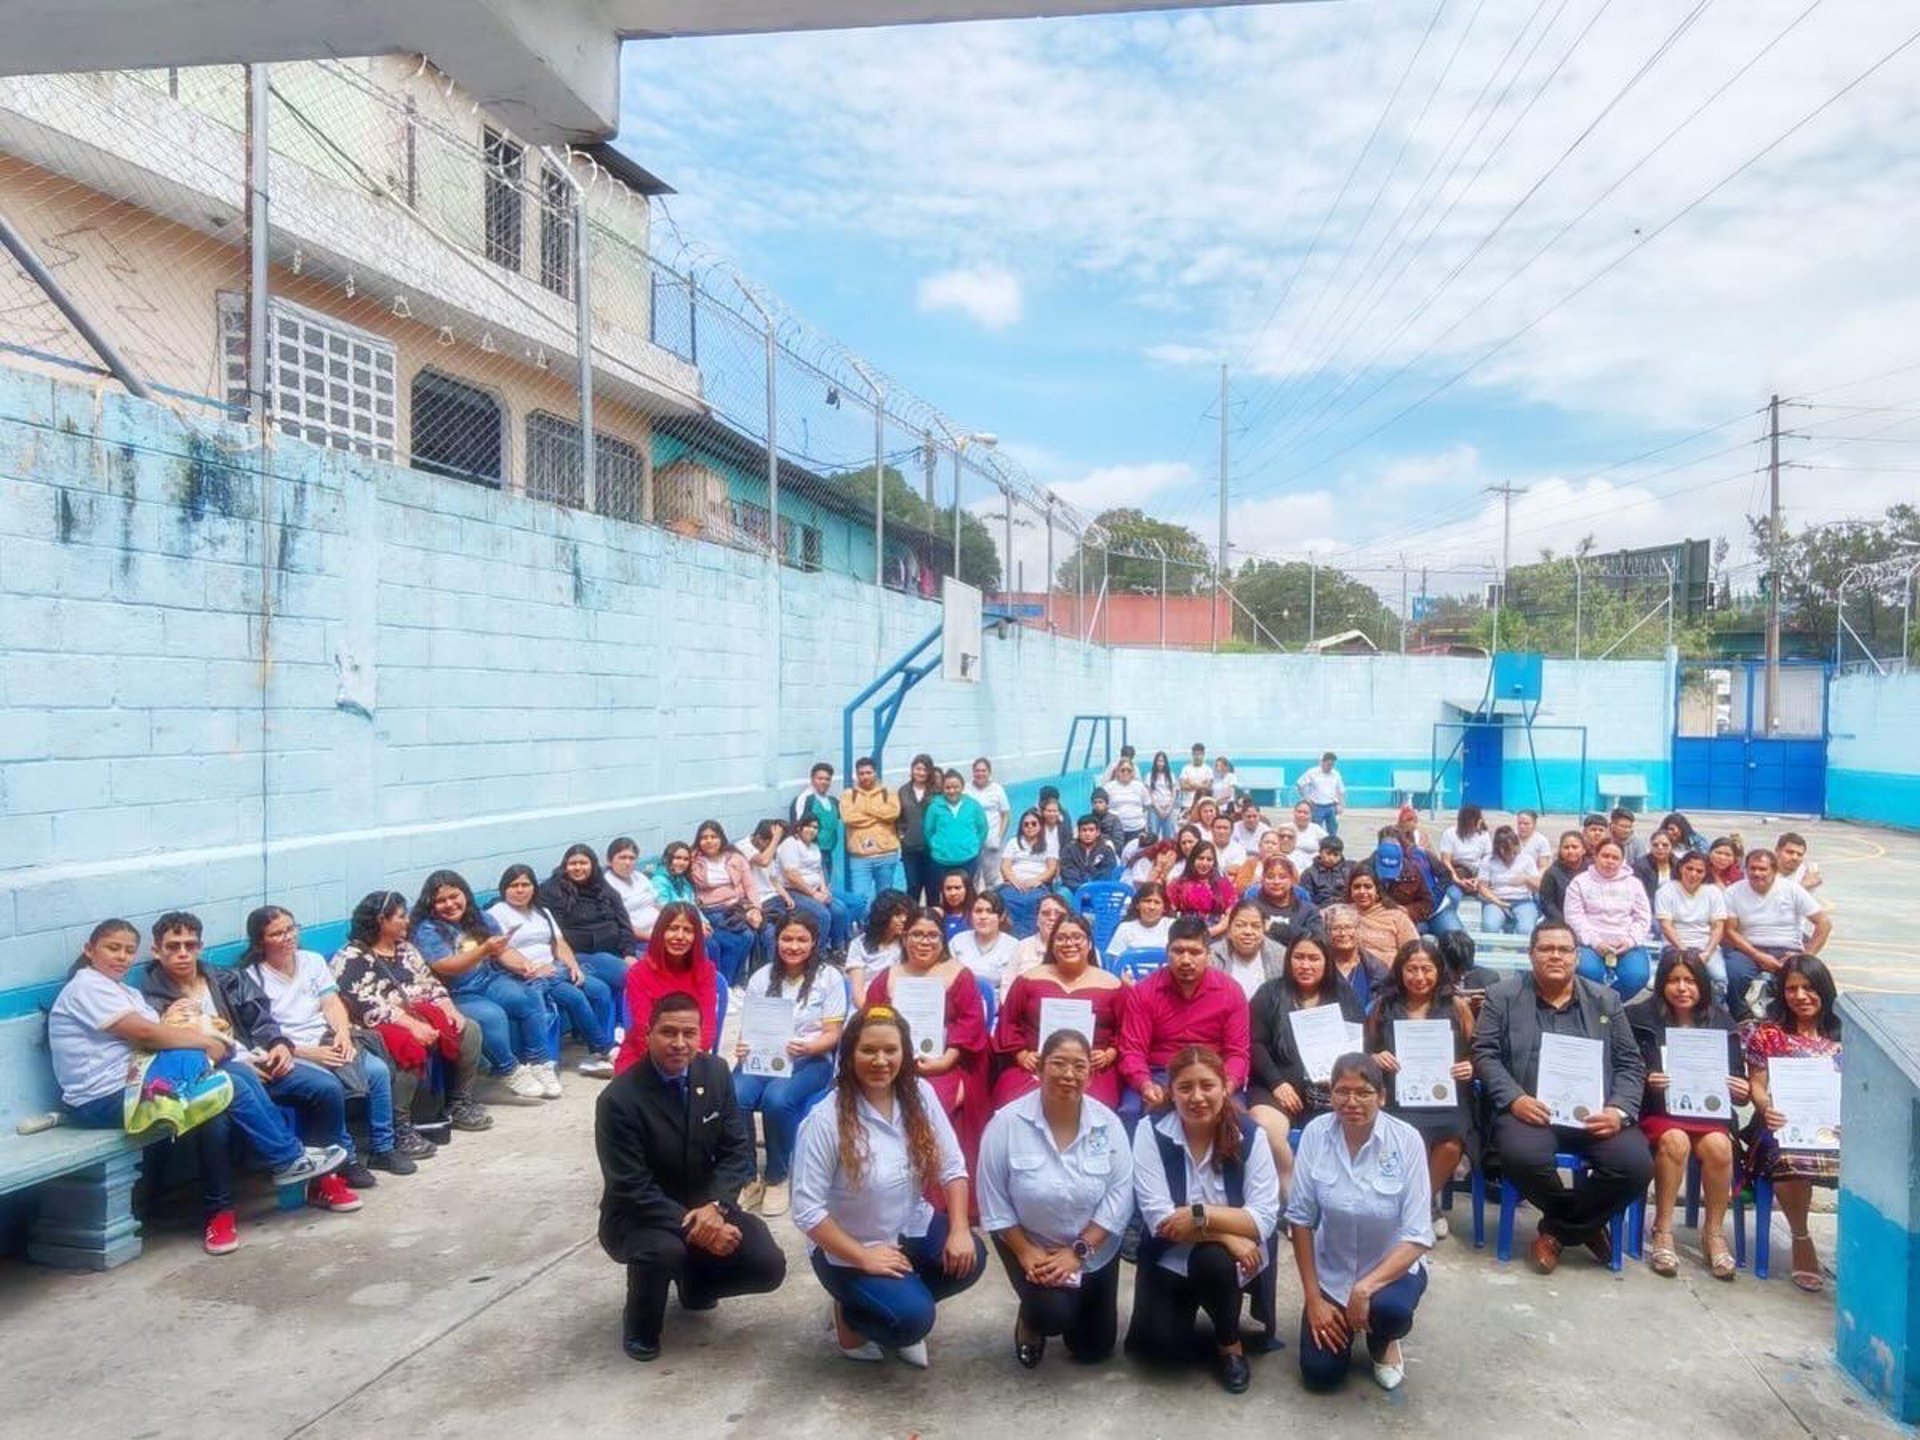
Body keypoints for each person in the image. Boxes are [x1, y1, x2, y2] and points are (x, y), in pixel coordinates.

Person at [51, 920, 343, 1257]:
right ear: (90, 950)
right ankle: (285, 1160)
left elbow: (160, 1030)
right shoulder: (87, 986)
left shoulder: (125, 991)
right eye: (112, 948)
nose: (122, 957)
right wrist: (206, 1043)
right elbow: (148, 1035)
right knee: (226, 1085)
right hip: (105, 1099)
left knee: (232, 1077)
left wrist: (195, 1036)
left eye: (128, 950)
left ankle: (284, 1164)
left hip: (139, 1082)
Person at [595, 993, 788, 1361]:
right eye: (668, 1032)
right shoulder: (618, 1100)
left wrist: (716, 1207)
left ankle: (694, 1285)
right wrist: (699, 1226)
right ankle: (640, 1323)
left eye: (689, 1033)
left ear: (702, 1035)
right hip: (641, 1216)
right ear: (647, 1034)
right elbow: (630, 1185)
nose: (679, 1043)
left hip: (706, 1203)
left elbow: (736, 1150)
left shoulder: (714, 1072)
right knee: (664, 1250)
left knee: (768, 1264)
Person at [791, 1004, 985, 1365]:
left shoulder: (920, 1095)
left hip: (909, 1226)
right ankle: (852, 1318)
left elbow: (953, 1166)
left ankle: (888, 1299)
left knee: (971, 1257)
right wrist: (863, 1256)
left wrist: (959, 1229)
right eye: (868, 1050)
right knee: (913, 1320)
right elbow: (806, 1210)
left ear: (905, 1053)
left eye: (891, 1050)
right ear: (849, 1055)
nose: (880, 1060)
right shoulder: (825, 1120)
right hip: (848, 1247)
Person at [140, 912, 367, 1206]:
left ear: (200, 946)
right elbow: (174, 1050)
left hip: (259, 1064)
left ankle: (324, 1181)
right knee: (216, 1123)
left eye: (190, 945)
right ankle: (219, 1210)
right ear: (157, 951)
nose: (183, 953)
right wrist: (234, 1061)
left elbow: (261, 1019)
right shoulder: (151, 998)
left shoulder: (225, 977)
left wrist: (279, 1044)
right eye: (173, 946)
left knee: (325, 1088)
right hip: (212, 1077)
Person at [1471, 920, 1652, 1273]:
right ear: (1531, 955)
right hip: (1530, 1112)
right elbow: (1484, 1055)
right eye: (1546, 948)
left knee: (1635, 1165)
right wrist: (1514, 1099)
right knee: (1521, 1156)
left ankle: (1558, 1230)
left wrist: (1618, 1111)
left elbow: (1631, 1063)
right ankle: (1586, 1227)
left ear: (1577, 956)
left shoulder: (1606, 999)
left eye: (1564, 949)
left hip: (1594, 1113)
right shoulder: (1502, 996)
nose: (1555, 955)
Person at [1125, 1046, 1282, 1394]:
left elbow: (1264, 1218)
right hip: (1172, 1252)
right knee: (1162, 1352)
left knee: (1215, 1261)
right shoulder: (1150, 1132)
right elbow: (1160, 1220)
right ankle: (1191, 1306)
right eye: (1185, 1087)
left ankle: (1229, 1344)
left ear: (1225, 1087)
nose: (1197, 1097)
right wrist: (1226, 1234)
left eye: (1207, 1085)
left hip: (1232, 1260)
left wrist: (1201, 1214)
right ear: (1171, 1092)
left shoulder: (1250, 1134)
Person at [978, 1028, 1135, 1367]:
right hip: (1033, 1246)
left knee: (1092, 1349)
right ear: (1038, 1069)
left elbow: (1120, 1195)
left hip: (1094, 1248)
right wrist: (1024, 1250)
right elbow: (993, 1199)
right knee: (1051, 1315)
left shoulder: (1108, 1124)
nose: (1068, 1074)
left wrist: (1079, 1251)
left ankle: (1073, 1302)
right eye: (1058, 1063)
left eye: (1079, 1066)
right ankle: (1031, 1319)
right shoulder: (1006, 1123)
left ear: (1091, 1077)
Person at [1288, 1053, 1434, 1393]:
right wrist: (1313, 1299)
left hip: (1389, 1272)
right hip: (1332, 1271)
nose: (1351, 1102)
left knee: (1392, 1312)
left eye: (1364, 1092)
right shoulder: (1315, 1133)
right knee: (1319, 1375)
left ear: (1382, 1096)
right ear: (1331, 1093)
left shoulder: (1406, 1140)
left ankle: (1382, 1340)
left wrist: (1364, 1288)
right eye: (1342, 1091)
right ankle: (1347, 1321)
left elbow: (1417, 1235)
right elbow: (1300, 1220)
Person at [247, 905, 423, 1174]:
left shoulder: (311, 960)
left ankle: (383, 1148)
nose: (288, 937)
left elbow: (331, 1003)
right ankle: (347, 1157)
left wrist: (342, 1033)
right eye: (277, 934)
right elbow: (261, 1032)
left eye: (291, 929)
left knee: (376, 1071)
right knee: (328, 1084)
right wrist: (308, 1053)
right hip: (292, 1050)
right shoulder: (251, 977)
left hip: (326, 1037)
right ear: (261, 941)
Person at [1626, 949, 1746, 1280]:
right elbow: (1623, 1066)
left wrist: (1740, 1088)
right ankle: (1663, 1229)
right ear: (1661, 983)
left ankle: (1714, 1233)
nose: (1682, 988)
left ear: (1703, 985)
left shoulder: (1723, 1022)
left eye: (1690, 981)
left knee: (1720, 1148)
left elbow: (1739, 1076)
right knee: (1675, 1141)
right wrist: (1647, 1077)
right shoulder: (1638, 1018)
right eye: (1674, 980)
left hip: (1708, 1115)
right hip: (1659, 1111)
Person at [333, 890, 493, 1134]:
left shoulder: (406, 949)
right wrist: (411, 1024)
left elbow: (429, 982)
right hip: (375, 1025)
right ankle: (400, 1125)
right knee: (407, 1045)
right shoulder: (352, 957)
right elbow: (364, 1005)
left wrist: (448, 1007)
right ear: (381, 921)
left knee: (468, 1029)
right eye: (400, 916)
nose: (407, 921)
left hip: (417, 1014)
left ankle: (459, 1103)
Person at [733, 913, 848, 1218]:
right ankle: (747, 1176)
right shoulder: (761, 977)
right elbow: (748, 1028)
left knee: (777, 1099)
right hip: (763, 1058)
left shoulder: (829, 978)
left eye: (801, 939)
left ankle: (776, 1176)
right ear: (776, 940)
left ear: (814, 943)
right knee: (735, 1093)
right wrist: (743, 1045)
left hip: (811, 1058)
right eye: (787, 938)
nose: (793, 946)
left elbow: (833, 1035)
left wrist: (809, 1047)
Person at [412, 869, 564, 1100]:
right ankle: (509, 1069)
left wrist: (524, 965)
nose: (450, 904)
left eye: (454, 896)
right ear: (430, 904)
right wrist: (484, 949)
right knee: (493, 1015)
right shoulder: (427, 930)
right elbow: (446, 966)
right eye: (441, 901)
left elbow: (503, 950)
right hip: (455, 994)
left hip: (488, 980)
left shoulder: (480, 917)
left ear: (465, 895)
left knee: (528, 996)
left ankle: (539, 1061)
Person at [1743, 953, 1844, 1293]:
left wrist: (1850, 1121)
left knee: (1866, 1163)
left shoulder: (1847, 1036)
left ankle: (1860, 1244)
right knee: (1786, 1156)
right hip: (1779, 1122)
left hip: (1838, 1127)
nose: (1800, 996)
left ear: (1825, 990)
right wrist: (1765, 1106)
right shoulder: (1768, 1034)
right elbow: (1756, 1083)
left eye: (1809, 988)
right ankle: (1801, 1238)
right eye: (1791, 989)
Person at [865, 906, 993, 1169]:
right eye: (917, 934)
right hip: (891, 1063)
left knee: (930, 1100)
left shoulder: (959, 975)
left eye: (933, 935)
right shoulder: (887, 977)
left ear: (942, 938)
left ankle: (928, 1175)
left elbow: (970, 1024)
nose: (925, 941)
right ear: (905, 937)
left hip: (949, 1062)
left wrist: (945, 1061)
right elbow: (870, 1022)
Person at [1364, 940, 1475, 1238]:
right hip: (1397, 1095)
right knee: (1400, 1133)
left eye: (1427, 969)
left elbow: (1477, 1050)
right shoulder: (1383, 1007)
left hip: (1446, 1096)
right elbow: (1364, 1052)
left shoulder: (1456, 1006)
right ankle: (1422, 1208)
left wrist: (1470, 1065)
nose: (1419, 977)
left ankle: (1420, 1205)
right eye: (1411, 969)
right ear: (1400, 971)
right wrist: (1375, 1058)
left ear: (1439, 972)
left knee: (1451, 1141)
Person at [487, 864, 618, 1084]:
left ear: (533, 888)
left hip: (552, 971)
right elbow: (501, 951)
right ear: (504, 888)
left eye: (525, 884)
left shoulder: (542, 912)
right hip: (523, 976)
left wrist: (573, 965)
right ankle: (540, 1061)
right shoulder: (496, 913)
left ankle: (602, 1050)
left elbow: (559, 942)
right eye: (514, 885)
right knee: (547, 1000)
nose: (520, 890)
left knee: (584, 993)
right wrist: (530, 967)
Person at [1118, 918, 1251, 1126]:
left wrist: (1226, 1085)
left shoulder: (1231, 991)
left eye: (1195, 952)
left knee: (1241, 1126)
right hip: (1160, 1074)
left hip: (1212, 1075)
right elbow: (1132, 1051)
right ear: (1167, 951)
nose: (1186, 960)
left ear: (1209, 955)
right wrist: (1145, 1085)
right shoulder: (1145, 991)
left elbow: (1237, 1053)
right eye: (1178, 951)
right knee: (1135, 1115)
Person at [995, 914, 1129, 1109]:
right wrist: (1021, 1055)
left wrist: (1110, 1053)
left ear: (1089, 943)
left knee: (1093, 1106)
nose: (1069, 943)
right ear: (1052, 944)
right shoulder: (1028, 980)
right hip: (1035, 1063)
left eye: (1077, 937)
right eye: (1061, 938)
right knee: (1012, 1100)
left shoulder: (1113, 985)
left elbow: (1126, 1031)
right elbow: (1009, 1023)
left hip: (1093, 1068)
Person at [1248, 932, 1365, 1138]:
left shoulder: (1343, 994)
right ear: (1288, 959)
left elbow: (1357, 1043)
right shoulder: (1269, 993)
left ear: (1326, 961)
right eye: (1299, 957)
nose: (1305, 965)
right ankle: (1287, 1171)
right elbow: (1255, 1044)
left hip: (1331, 1089)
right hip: (1276, 1088)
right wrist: (1277, 1084)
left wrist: (1341, 1080)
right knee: (1267, 1131)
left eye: (1314, 958)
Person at [1723, 849, 1832, 1022]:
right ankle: (1743, 1019)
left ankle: (1793, 1022)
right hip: (1748, 949)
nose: (1757, 873)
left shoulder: (1792, 889)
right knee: (1734, 972)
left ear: (1774, 870)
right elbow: (1730, 931)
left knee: (1806, 977)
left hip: (1787, 949)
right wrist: (1758, 955)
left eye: (1762, 869)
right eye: (1752, 868)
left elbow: (1824, 923)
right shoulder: (1733, 892)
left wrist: (1806, 956)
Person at [616, 904, 721, 1069]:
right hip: (645, 1057)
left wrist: (688, 1060)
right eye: (672, 928)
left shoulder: (706, 971)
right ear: (660, 932)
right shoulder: (638, 973)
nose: (680, 936)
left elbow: (707, 1025)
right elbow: (642, 1031)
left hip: (691, 1055)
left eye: (688, 930)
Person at [538, 843, 637, 1000]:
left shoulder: (603, 888)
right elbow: (556, 933)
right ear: (565, 866)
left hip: (615, 950)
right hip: (580, 955)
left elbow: (624, 924)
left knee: (650, 968)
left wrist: (629, 953)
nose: (578, 868)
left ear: (592, 865)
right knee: (628, 975)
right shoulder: (552, 890)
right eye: (573, 863)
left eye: (583, 863)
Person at [1563, 837, 1654, 999]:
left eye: (1615, 858)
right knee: (1588, 971)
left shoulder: (1634, 884)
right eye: (1605, 856)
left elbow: (1643, 917)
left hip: (1626, 943)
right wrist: (1595, 942)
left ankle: (1611, 1007)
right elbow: (1574, 917)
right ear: (1595, 856)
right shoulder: (1580, 882)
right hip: (1589, 943)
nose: (1610, 861)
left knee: (1637, 975)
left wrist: (1629, 941)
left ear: (1622, 861)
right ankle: (1598, 1008)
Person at [686, 821, 762, 986]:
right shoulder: (694, 861)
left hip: (737, 908)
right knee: (741, 938)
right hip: (710, 910)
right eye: (704, 838)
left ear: (721, 838)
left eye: (713, 837)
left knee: (750, 935)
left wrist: (756, 908)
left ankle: (736, 983)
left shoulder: (736, 858)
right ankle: (727, 985)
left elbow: (750, 886)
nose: (709, 841)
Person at [777, 811, 854, 956]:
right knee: (822, 914)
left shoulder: (814, 846)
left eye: (815, 828)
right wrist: (814, 894)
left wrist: (824, 889)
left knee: (840, 910)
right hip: (794, 891)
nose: (812, 830)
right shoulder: (790, 844)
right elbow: (792, 876)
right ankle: (818, 954)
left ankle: (839, 949)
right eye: (808, 826)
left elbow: (819, 870)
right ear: (799, 828)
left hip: (814, 890)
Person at [1656, 851, 1729, 1000]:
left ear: (1705, 873)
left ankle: (1712, 1016)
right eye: (1689, 868)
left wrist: (1707, 953)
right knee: (1672, 979)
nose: (1693, 874)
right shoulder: (1666, 890)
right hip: (1675, 946)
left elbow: (1718, 927)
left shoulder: (1713, 892)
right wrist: (1684, 951)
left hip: (1705, 947)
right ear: (1681, 868)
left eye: (1699, 871)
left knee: (1719, 978)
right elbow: (1666, 925)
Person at [841, 756, 905, 901]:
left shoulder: (888, 793)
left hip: (886, 854)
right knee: (860, 899)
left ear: (875, 773)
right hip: (860, 858)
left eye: (868, 772)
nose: (865, 776)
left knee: (886, 899)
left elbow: (892, 814)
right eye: (861, 773)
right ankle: (864, 924)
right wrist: (879, 815)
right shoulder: (849, 795)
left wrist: (866, 810)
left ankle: (882, 924)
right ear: (857, 775)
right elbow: (849, 818)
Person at [999, 808, 1061, 938]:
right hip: (1013, 883)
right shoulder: (1013, 842)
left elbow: (1051, 868)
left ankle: (1029, 938)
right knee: (1007, 900)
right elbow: (1005, 866)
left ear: (1040, 825)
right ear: (1021, 827)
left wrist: (1035, 881)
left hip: (1038, 883)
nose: (1030, 827)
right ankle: (1012, 939)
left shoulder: (1049, 843)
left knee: (1033, 901)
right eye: (1026, 824)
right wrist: (1015, 881)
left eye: (1034, 823)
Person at [926, 767, 991, 890]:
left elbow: (982, 829)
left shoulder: (973, 805)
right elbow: (928, 831)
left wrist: (974, 846)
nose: (952, 791)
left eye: (956, 787)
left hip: (968, 860)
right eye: (948, 787)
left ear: (962, 787)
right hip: (942, 861)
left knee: (968, 892)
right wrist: (937, 847)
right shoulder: (934, 807)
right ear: (943, 788)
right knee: (946, 893)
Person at [1211, 900, 1286, 1002]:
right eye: (1240, 925)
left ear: (1264, 930)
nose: (1248, 932)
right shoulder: (1212, 955)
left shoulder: (1280, 955)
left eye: (1255, 926)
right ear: (1228, 929)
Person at [1004, 893, 1073, 1003]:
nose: (1052, 918)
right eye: (1046, 913)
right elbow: (1006, 987)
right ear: (1037, 920)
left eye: (1058, 914)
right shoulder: (1022, 947)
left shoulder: (1080, 948)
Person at [845, 890, 911, 1004]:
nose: (904, 919)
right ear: (883, 916)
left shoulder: (907, 943)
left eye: (906, 914)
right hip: (866, 1005)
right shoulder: (858, 944)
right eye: (897, 914)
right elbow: (858, 994)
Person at [1345, 870, 1418, 972]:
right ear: (1350, 891)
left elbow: (1413, 950)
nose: (1362, 891)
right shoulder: (1342, 913)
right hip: (1351, 977)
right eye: (1357, 887)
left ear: (1377, 891)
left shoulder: (1397, 916)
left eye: (1368, 886)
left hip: (1388, 978)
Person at [949, 890, 1020, 993]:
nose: (983, 917)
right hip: (961, 999)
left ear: (1001, 916)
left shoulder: (1013, 946)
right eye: (978, 911)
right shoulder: (958, 941)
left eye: (989, 911)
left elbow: (1013, 988)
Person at [1321, 903, 1389, 1011]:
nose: (1343, 933)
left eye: (1348, 927)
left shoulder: (1378, 968)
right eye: (1336, 928)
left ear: (1358, 930)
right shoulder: (1319, 967)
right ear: (1327, 933)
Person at [1477, 825, 1542, 935]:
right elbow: (1482, 887)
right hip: (1496, 900)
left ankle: (1524, 951)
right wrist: (1498, 902)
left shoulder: (1527, 859)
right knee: (1489, 926)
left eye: (1513, 851)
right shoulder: (1488, 861)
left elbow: (1538, 885)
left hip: (1522, 900)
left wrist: (1526, 879)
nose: (1511, 855)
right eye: (1506, 851)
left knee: (1526, 929)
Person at [1167, 842, 1238, 938]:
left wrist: (1214, 930)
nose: (1204, 863)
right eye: (1200, 858)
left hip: (1216, 935)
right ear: (1192, 859)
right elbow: (1170, 913)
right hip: (1186, 934)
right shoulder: (1178, 884)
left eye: (1209, 859)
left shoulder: (1223, 885)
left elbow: (1232, 912)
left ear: (1214, 862)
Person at [1247, 857, 1320, 950]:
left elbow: (1317, 940)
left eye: (1282, 877)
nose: (1276, 882)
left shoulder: (1309, 910)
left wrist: (1274, 927)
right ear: (1262, 880)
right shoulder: (1250, 907)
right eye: (1270, 877)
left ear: (1292, 880)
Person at [897, 753, 941, 906]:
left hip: (932, 849)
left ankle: (933, 924)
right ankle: (913, 924)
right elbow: (899, 817)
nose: (921, 773)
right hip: (910, 849)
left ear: (930, 772)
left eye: (925, 769)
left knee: (933, 889)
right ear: (912, 769)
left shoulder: (937, 792)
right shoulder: (903, 791)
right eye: (918, 768)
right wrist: (902, 835)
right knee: (913, 887)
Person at [604, 837, 664, 946]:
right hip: (639, 940)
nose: (627, 862)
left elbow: (657, 904)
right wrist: (654, 937)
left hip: (662, 931)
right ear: (609, 860)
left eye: (632, 858)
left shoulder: (640, 877)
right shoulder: (606, 886)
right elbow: (619, 925)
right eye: (622, 857)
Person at [792, 761, 845, 876]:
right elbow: (796, 827)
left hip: (828, 852)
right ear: (812, 779)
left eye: (827, 779)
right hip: (810, 854)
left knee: (826, 885)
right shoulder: (805, 799)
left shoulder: (833, 801)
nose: (824, 782)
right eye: (819, 778)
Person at [970, 757, 1012, 893]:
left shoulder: (997, 789)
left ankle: (994, 904)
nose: (980, 773)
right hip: (972, 840)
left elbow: (1005, 814)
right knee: (973, 876)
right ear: (973, 772)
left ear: (989, 772)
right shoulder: (966, 788)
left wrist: (999, 836)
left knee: (992, 878)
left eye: (983, 770)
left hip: (992, 839)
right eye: (977, 770)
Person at [1107, 882, 1173, 965]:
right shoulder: (1125, 928)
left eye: (1157, 902)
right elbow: (1113, 961)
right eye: (1147, 901)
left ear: (1164, 908)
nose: (1151, 907)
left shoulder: (1173, 926)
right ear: (1137, 905)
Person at [1437, 805, 1491, 892]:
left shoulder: (1484, 834)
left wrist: (1479, 878)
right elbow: (1445, 860)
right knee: (1455, 884)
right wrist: (1457, 880)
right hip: (1457, 871)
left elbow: (1488, 859)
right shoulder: (1450, 833)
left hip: (1477, 872)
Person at [1060, 814, 1122, 889]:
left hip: (1099, 889)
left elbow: (1107, 873)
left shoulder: (1106, 850)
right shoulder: (1069, 850)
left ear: (1098, 832)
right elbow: (1068, 873)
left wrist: (1091, 887)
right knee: (1063, 892)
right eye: (1084, 830)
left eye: (1091, 830)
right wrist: (1081, 887)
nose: (1087, 834)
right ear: (1078, 832)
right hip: (1074, 889)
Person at [1538, 830, 1588, 924]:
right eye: (1566, 847)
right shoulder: (1552, 873)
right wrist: (1565, 922)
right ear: (1560, 850)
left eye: (1575, 847)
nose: (1570, 851)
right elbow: (1547, 904)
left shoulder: (1592, 870)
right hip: (1561, 922)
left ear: (1583, 850)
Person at [1104, 757, 1151, 848]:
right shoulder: (1109, 787)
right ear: (1117, 771)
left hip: (1137, 829)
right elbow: (1104, 807)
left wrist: (1136, 815)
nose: (1126, 773)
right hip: (1116, 831)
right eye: (1123, 770)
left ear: (1133, 772)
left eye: (1129, 770)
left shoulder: (1139, 786)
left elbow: (1147, 804)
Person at [1297, 752, 1345, 838]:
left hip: (1331, 806)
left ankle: (1332, 847)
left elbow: (1340, 790)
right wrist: (1306, 799)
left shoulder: (1336, 774)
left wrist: (1341, 805)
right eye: (1328, 764)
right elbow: (1300, 784)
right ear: (1322, 762)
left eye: (1332, 764)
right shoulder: (1312, 772)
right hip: (1317, 806)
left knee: (1333, 830)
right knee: (1315, 830)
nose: (1330, 767)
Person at [1632, 828, 1677, 913]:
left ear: (1672, 847)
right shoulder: (1640, 866)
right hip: (1650, 909)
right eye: (1655, 845)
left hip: (1674, 907)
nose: (1660, 848)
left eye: (1665, 845)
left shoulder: (1679, 865)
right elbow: (1640, 896)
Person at [1301, 835, 1352, 908]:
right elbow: (1306, 900)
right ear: (1320, 852)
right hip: (1320, 909)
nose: (1331, 858)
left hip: (1346, 908)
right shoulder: (1309, 873)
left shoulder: (1349, 870)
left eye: (1336, 855)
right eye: (1328, 853)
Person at [1146, 750, 1181, 841]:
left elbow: (1174, 793)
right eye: (1158, 761)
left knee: (1169, 836)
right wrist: (1158, 809)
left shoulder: (1171, 775)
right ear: (1155, 762)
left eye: (1162, 761)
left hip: (1168, 809)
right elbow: (1149, 794)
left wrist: (1169, 808)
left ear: (1165, 763)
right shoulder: (1149, 776)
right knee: (1153, 836)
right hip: (1155, 810)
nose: (1160, 763)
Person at [935, 870, 976, 939]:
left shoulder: (977, 915)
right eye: (948, 888)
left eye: (957, 888)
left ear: (968, 889)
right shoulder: (937, 915)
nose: (953, 893)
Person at [1515, 809, 1552, 873]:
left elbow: (1543, 867)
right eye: (1519, 823)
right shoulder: (1511, 838)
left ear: (1534, 825)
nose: (1522, 826)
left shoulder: (1542, 841)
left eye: (1526, 824)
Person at [1179, 743, 1213, 807]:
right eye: (1195, 754)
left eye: (1199, 754)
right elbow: (1183, 786)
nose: (1197, 757)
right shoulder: (1186, 769)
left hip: (1202, 804)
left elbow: (1207, 787)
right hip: (1187, 804)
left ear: (1203, 755)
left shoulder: (1208, 770)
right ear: (1192, 754)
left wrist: (1190, 783)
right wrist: (1201, 786)